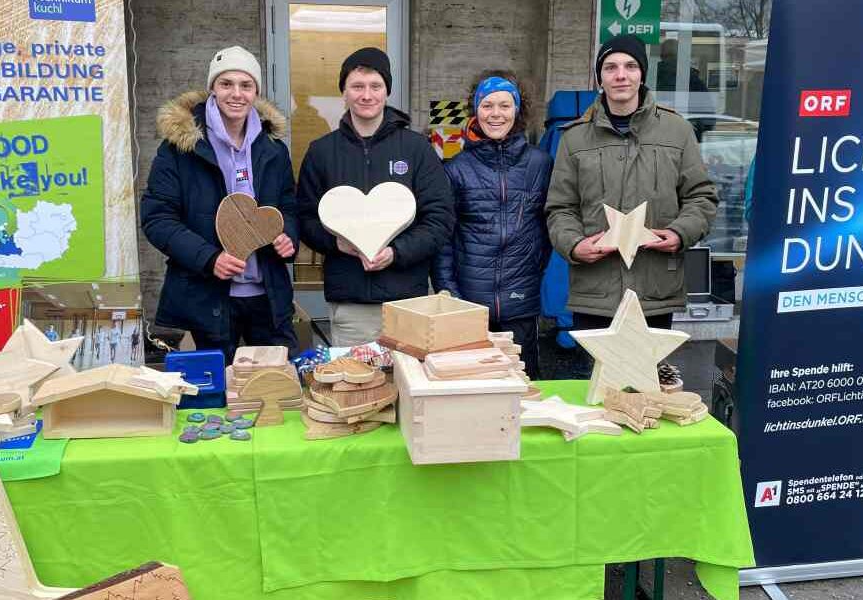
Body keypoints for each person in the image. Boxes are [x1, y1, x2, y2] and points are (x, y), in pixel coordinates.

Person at [545, 34, 717, 372]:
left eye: (630, 66)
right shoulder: (574, 137)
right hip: (595, 290)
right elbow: (559, 208)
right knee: (597, 396)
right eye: (610, 67)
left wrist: (681, 233)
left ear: (642, 74)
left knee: (648, 394)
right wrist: (574, 245)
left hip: (654, 290)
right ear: (600, 77)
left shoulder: (678, 131)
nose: (620, 75)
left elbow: (702, 196)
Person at [142, 46, 299, 363]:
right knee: (214, 397)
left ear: (255, 91)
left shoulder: (273, 149)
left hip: (267, 297)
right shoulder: (179, 148)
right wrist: (209, 258)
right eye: (226, 84)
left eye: (246, 85)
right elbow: (157, 219)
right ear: (213, 87)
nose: (236, 94)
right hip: (206, 298)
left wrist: (288, 237)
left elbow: (288, 207)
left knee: (272, 390)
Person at [297, 47, 454, 346]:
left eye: (375, 86)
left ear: (387, 91)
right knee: (355, 385)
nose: (366, 95)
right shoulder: (321, 152)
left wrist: (397, 252)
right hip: (351, 303)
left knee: (409, 386)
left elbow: (440, 219)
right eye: (357, 86)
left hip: (408, 301)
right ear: (344, 91)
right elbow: (305, 217)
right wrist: (337, 243)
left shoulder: (417, 149)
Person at [432, 70, 552, 378]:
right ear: (475, 110)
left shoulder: (541, 164)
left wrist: (533, 270)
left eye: (504, 105)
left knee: (523, 388)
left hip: (521, 301)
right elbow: (445, 238)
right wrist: (448, 290)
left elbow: (549, 227)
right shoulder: (455, 168)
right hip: (469, 303)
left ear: (517, 110)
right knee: (472, 387)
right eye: (487, 105)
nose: (495, 114)